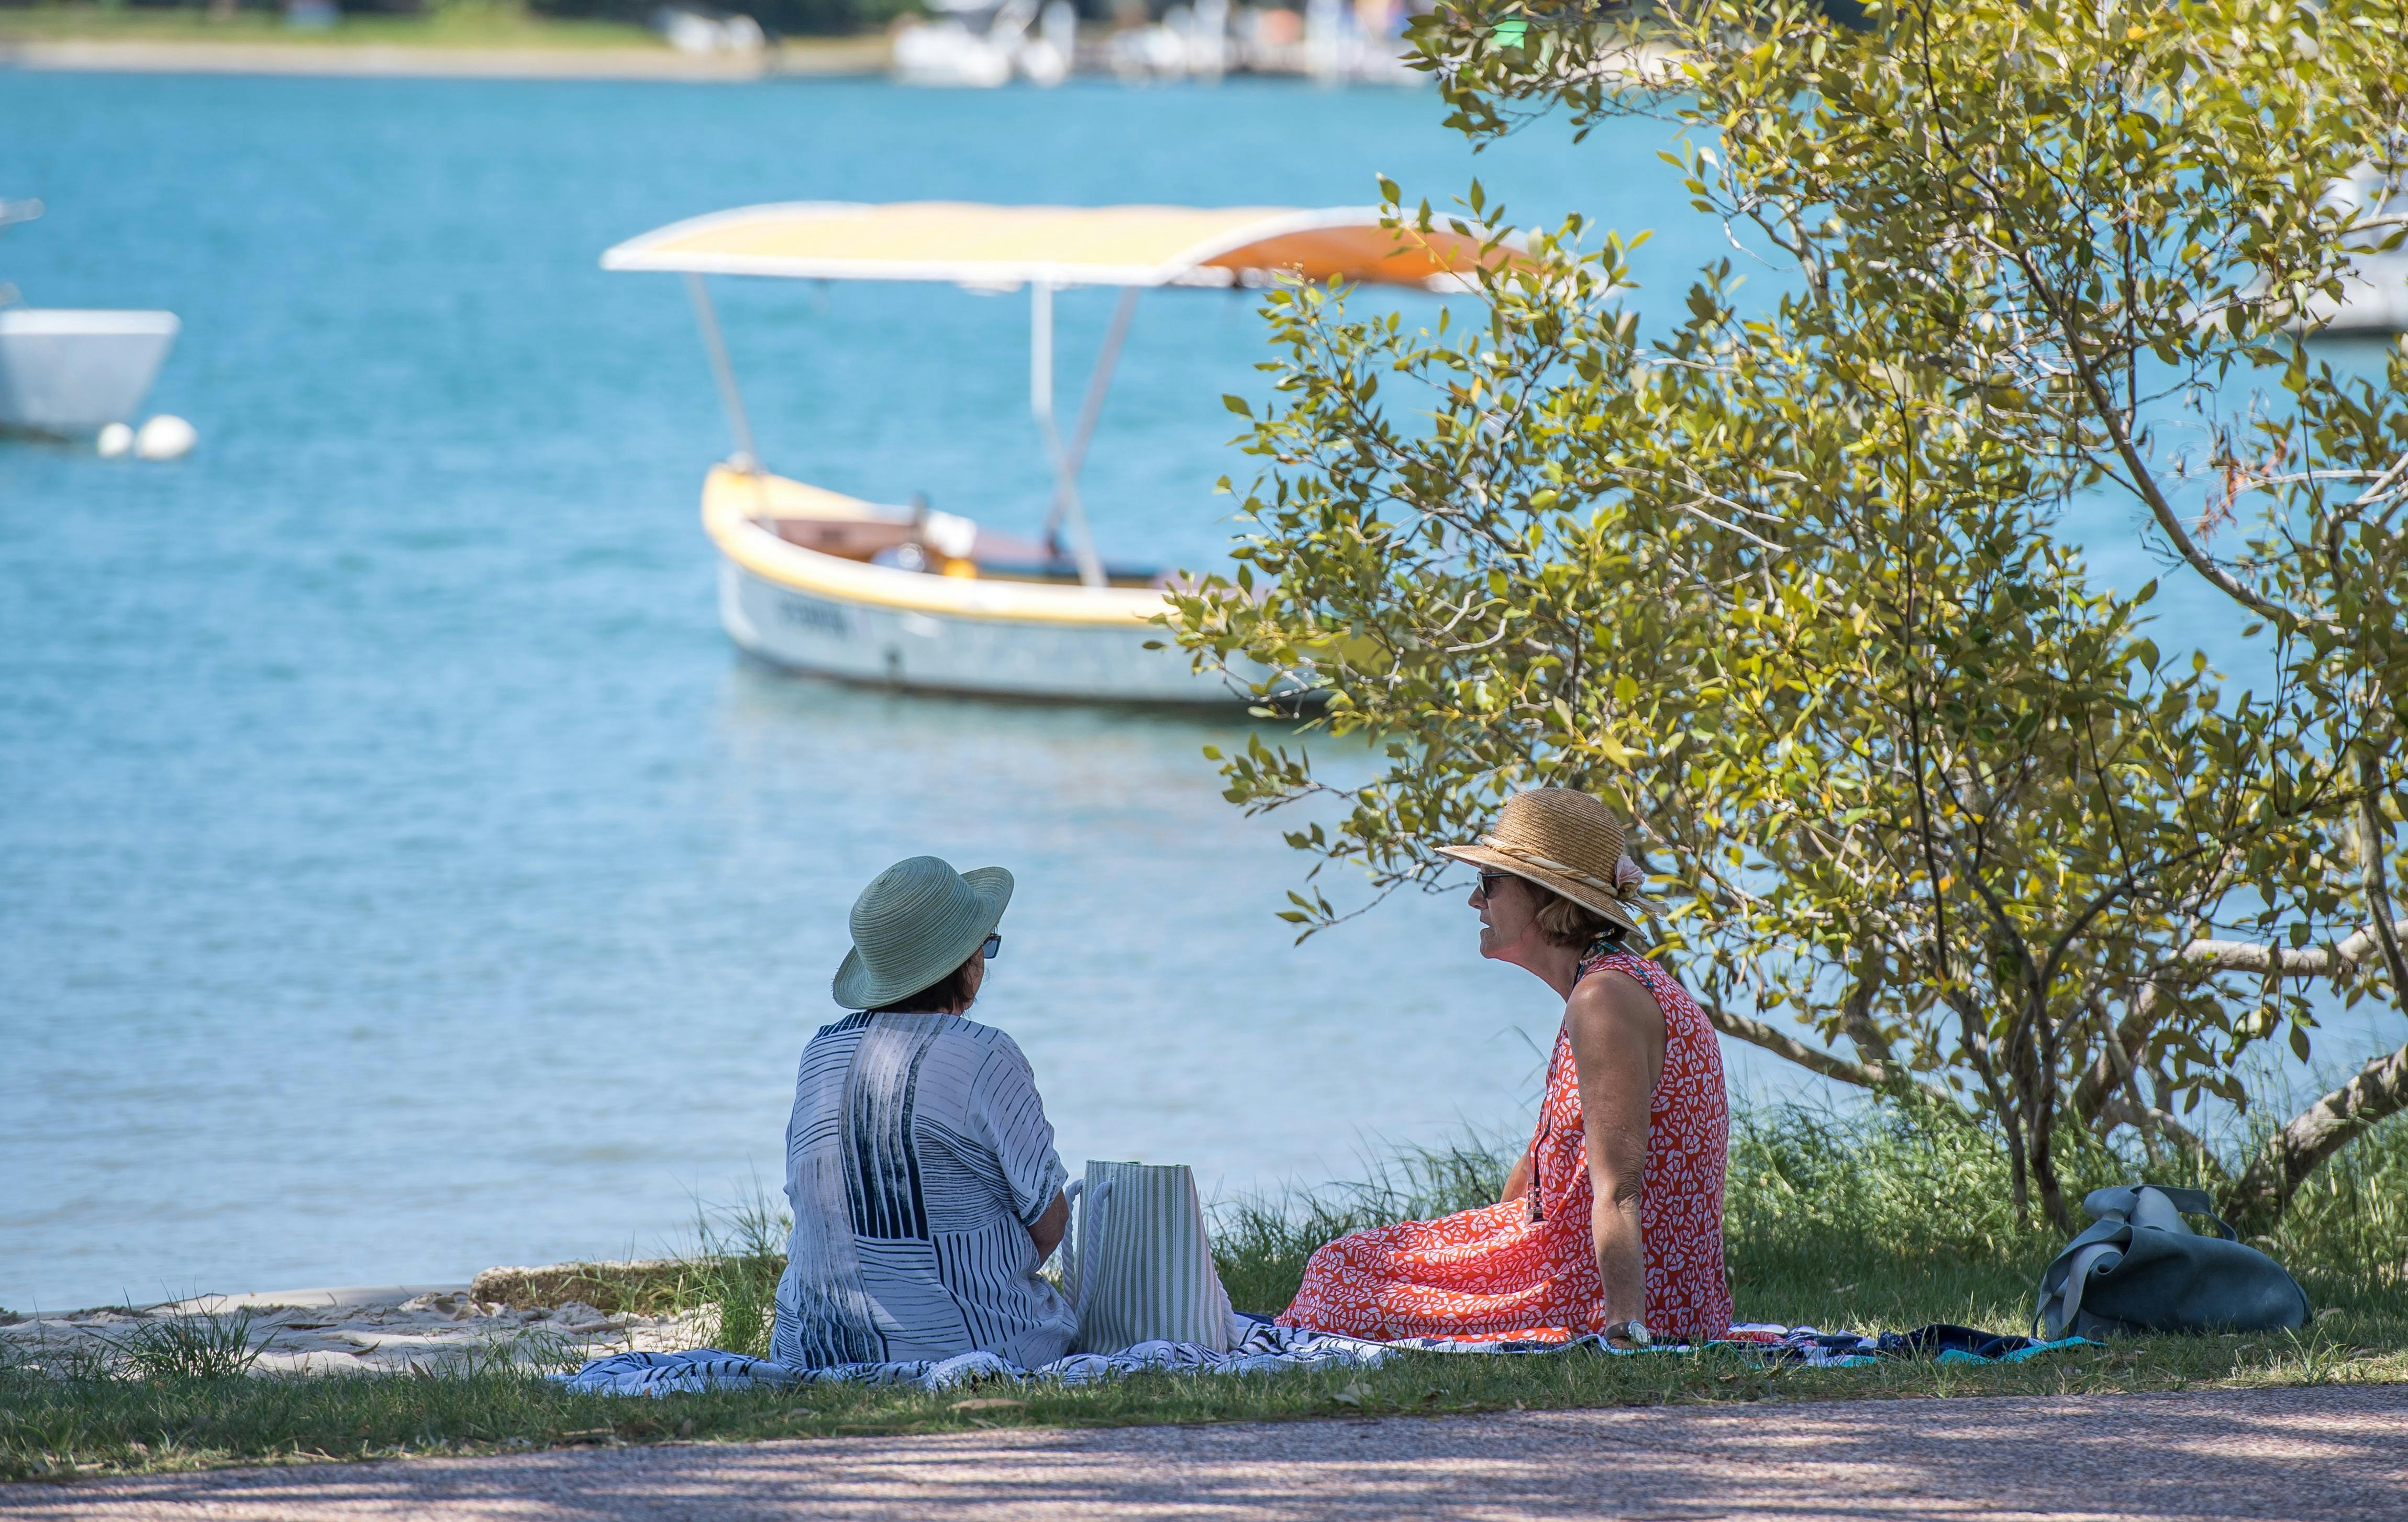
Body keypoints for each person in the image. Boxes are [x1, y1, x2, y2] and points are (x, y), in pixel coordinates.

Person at [1277, 788, 1733, 1345]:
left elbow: (1620, 1187)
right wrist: (1482, 1251)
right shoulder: (1610, 984)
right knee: (1344, 1263)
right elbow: (1546, 1158)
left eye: (1490, 884)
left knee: (1337, 1278)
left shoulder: (1603, 1001)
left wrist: (1625, 1330)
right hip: (1609, 1274)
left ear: (1544, 898)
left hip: (1602, 1291)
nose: (1475, 901)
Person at [770, 856, 1076, 1369]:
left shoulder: (819, 1053)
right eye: (988, 946)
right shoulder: (985, 1056)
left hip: (813, 1349)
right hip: (972, 1348)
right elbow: (1050, 1220)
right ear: (964, 962)